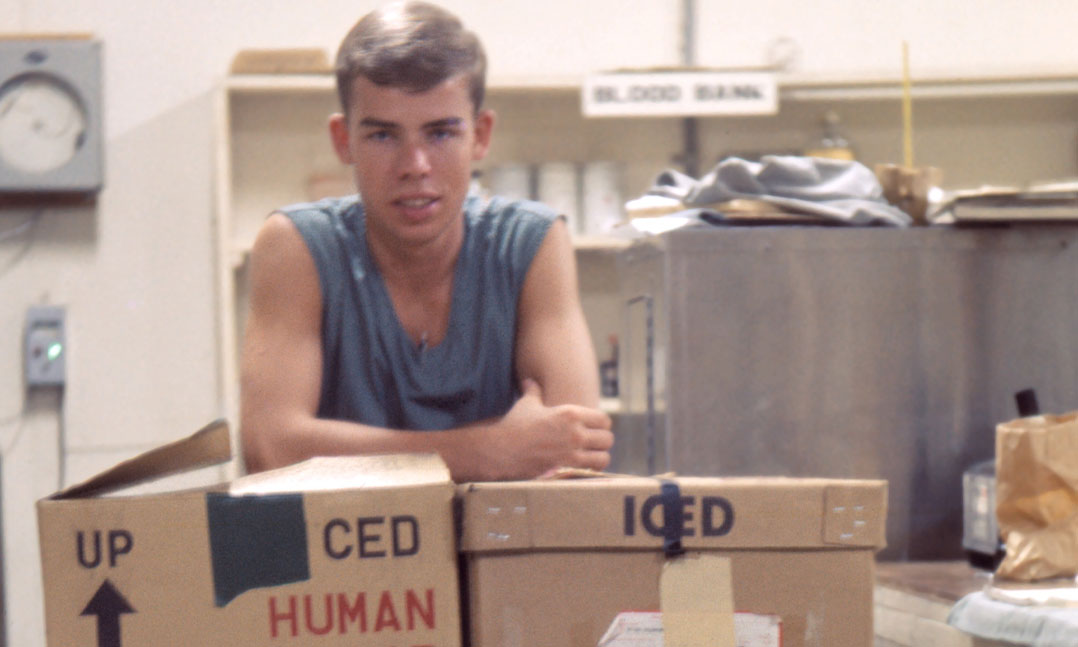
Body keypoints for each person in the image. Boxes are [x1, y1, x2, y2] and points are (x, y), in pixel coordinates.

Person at [239, 0, 613, 481]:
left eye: (440, 133)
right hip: (345, 555)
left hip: (496, 555)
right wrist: (487, 452)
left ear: (480, 136)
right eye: (382, 136)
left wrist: (338, 453)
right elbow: (270, 450)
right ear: (343, 140)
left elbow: (572, 457)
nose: (414, 165)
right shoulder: (298, 247)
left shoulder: (531, 244)